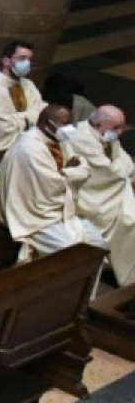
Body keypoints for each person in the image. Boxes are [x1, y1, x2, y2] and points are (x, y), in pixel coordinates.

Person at [0, 104, 108, 263]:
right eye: (65, 123)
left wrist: (66, 173)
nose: (69, 128)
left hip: (57, 208)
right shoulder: (29, 148)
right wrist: (70, 173)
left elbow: (82, 164)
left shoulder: (56, 140)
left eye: (71, 122)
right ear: (47, 124)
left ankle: (85, 287)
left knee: (98, 244)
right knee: (71, 252)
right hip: (35, 214)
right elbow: (53, 184)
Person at [72, 105, 135, 284]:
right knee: (129, 221)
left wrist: (123, 169)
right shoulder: (82, 139)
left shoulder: (106, 137)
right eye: (116, 127)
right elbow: (110, 172)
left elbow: (126, 163)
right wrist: (123, 170)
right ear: (99, 124)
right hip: (90, 195)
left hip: (108, 193)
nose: (120, 132)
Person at [0, 40, 45, 152]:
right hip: (0, 147)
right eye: (22, 58)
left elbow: (43, 115)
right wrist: (31, 117)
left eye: (30, 59)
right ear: (6, 61)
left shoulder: (28, 85)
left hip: (28, 144)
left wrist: (17, 118)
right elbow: (3, 125)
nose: (27, 63)